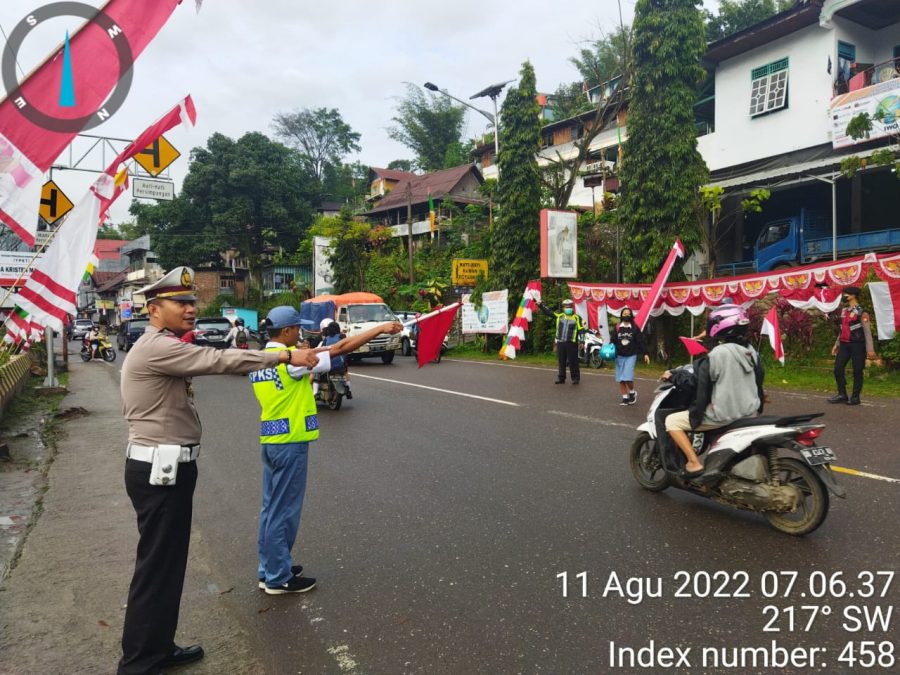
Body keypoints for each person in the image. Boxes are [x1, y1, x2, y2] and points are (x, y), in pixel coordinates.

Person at [118, 267, 321, 675]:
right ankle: (140, 662)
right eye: (182, 303)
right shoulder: (157, 346)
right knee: (157, 567)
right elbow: (218, 359)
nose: (191, 309)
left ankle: (157, 647)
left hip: (168, 467)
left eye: (193, 302)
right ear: (154, 309)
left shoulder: (163, 342)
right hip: (161, 470)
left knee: (167, 566)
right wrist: (284, 354)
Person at [252, 308, 401, 594]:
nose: (301, 334)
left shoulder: (261, 358)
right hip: (290, 442)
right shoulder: (293, 363)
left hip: (272, 440)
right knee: (284, 511)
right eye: (297, 329)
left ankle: (270, 566)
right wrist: (379, 329)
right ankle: (278, 577)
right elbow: (341, 347)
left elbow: (320, 353)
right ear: (285, 332)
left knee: (271, 508)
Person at [664, 304, 764, 477]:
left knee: (672, 421)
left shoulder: (718, 353)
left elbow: (696, 382)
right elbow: (758, 379)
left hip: (723, 415)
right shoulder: (751, 351)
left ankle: (694, 463)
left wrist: (673, 376)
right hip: (750, 412)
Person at [829, 286, 875, 406]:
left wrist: (870, 350)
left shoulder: (861, 312)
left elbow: (867, 332)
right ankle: (842, 394)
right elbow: (842, 329)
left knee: (857, 371)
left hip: (857, 345)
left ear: (853, 295)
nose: (844, 296)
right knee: (838, 369)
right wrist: (836, 344)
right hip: (844, 345)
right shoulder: (844, 311)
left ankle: (855, 397)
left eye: (846, 294)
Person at [538, 298, 584, 384]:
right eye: (566, 307)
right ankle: (561, 378)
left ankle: (575, 378)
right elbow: (549, 312)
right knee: (561, 361)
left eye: (569, 306)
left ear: (572, 307)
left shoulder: (577, 318)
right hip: (560, 342)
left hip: (572, 343)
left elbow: (581, 330)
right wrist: (541, 305)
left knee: (573, 361)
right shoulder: (559, 316)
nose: (568, 308)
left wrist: (582, 341)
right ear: (563, 308)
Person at [611, 307, 649, 405]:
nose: (626, 315)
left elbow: (640, 341)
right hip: (619, 356)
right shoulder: (617, 327)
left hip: (631, 355)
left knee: (627, 377)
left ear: (631, 315)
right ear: (621, 315)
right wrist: (609, 350)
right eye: (624, 314)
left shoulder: (635, 328)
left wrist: (645, 353)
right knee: (621, 378)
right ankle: (625, 398)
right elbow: (613, 341)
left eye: (628, 314)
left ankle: (632, 392)